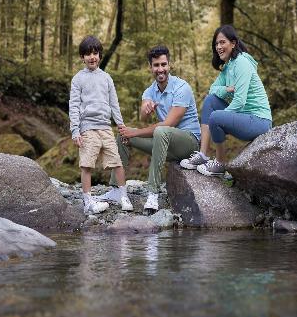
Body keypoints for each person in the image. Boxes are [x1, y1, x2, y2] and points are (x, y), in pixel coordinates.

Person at [105, 44, 201, 213]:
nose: (160, 69)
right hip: (165, 144)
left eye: (163, 64)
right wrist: (145, 109)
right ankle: (116, 189)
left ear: (169, 65)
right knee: (123, 135)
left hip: (189, 143)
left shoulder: (182, 88)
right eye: (156, 65)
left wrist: (135, 132)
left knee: (160, 130)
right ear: (150, 67)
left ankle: (153, 193)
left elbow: (169, 123)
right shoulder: (149, 91)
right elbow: (143, 117)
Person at [180, 24, 272, 177]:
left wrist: (221, 119)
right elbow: (212, 89)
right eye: (216, 43)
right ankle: (203, 154)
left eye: (222, 42)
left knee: (216, 117)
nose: (218, 47)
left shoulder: (242, 62)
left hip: (259, 121)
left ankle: (220, 163)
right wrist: (226, 89)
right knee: (210, 101)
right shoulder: (228, 67)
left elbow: (240, 101)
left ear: (233, 43)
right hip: (245, 116)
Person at [69, 35, 133, 214]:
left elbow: (114, 104)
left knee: (117, 162)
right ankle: (88, 201)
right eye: (88, 54)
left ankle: (123, 196)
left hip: (105, 127)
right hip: (87, 128)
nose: (92, 57)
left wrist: (120, 125)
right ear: (82, 57)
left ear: (99, 55)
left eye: (95, 53)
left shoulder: (106, 78)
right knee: (87, 164)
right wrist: (75, 130)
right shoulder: (78, 79)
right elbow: (74, 105)